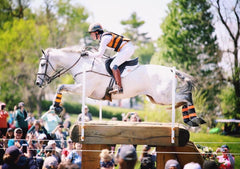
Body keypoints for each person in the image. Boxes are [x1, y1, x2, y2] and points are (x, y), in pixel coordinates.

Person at [86, 23, 135, 94]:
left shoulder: (104, 39)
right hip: (124, 48)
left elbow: (99, 54)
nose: (91, 35)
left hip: (127, 48)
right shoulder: (104, 38)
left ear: (96, 33)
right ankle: (114, 83)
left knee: (113, 65)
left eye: (91, 33)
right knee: (108, 62)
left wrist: (88, 54)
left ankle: (119, 88)